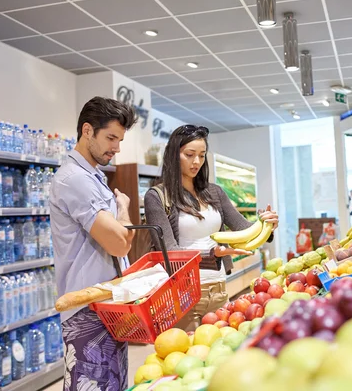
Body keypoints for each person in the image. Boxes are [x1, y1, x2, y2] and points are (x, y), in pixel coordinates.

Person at [144, 125, 279, 331]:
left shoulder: (214, 192)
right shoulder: (157, 197)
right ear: (173, 155)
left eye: (201, 155)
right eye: (189, 155)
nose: (196, 162)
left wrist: (266, 225)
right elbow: (168, 251)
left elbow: (243, 226)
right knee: (186, 354)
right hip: (181, 293)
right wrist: (212, 253)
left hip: (217, 287)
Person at [50, 97, 136, 391]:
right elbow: (120, 244)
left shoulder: (92, 176)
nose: (117, 147)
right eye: (111, 137)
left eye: (120, 139)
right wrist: (123, 206)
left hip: (105, 304)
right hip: (88, 310)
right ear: (88, 130)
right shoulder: (75, 179)